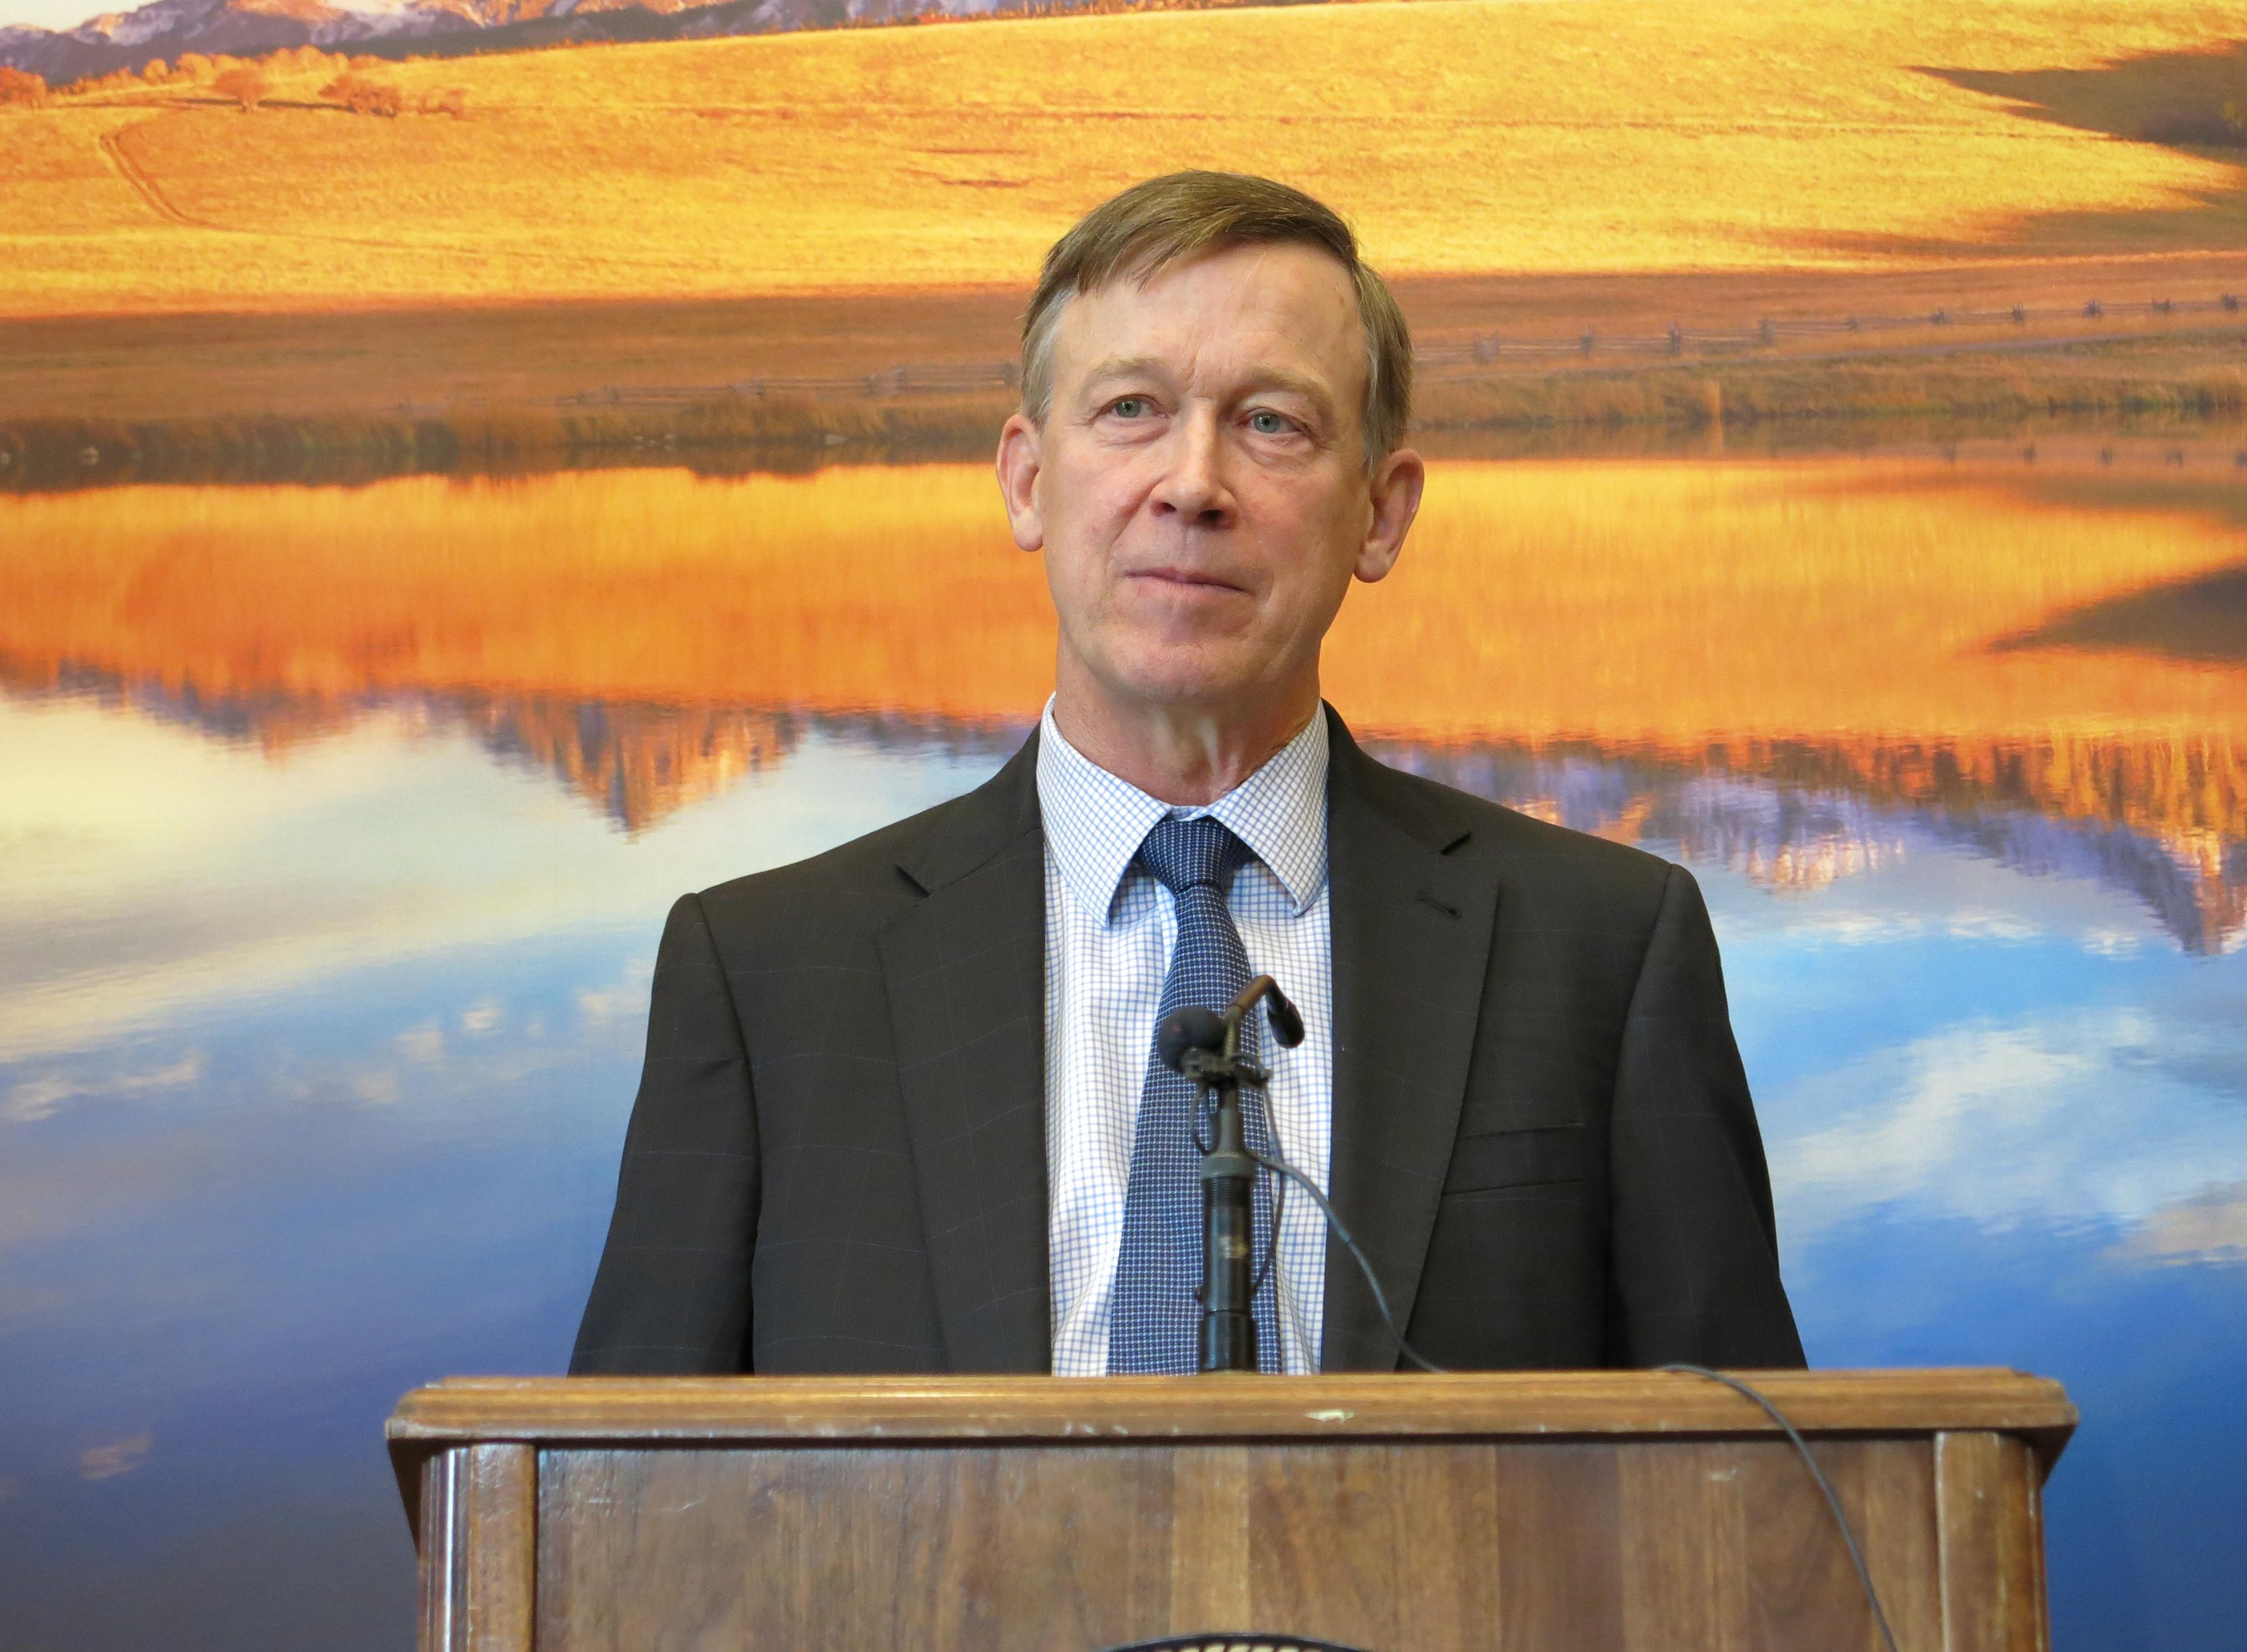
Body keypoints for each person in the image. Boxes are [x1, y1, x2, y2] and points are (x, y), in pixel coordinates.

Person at [570, 172, 1804, 1376]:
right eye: (1130, 410)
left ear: (1381, 512)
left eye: (1274, 422)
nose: (1194, 484)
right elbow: (605, 1515)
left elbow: (1761, 1500)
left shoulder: (1603, 950)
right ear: (1028, 480)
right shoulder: (769, 978)